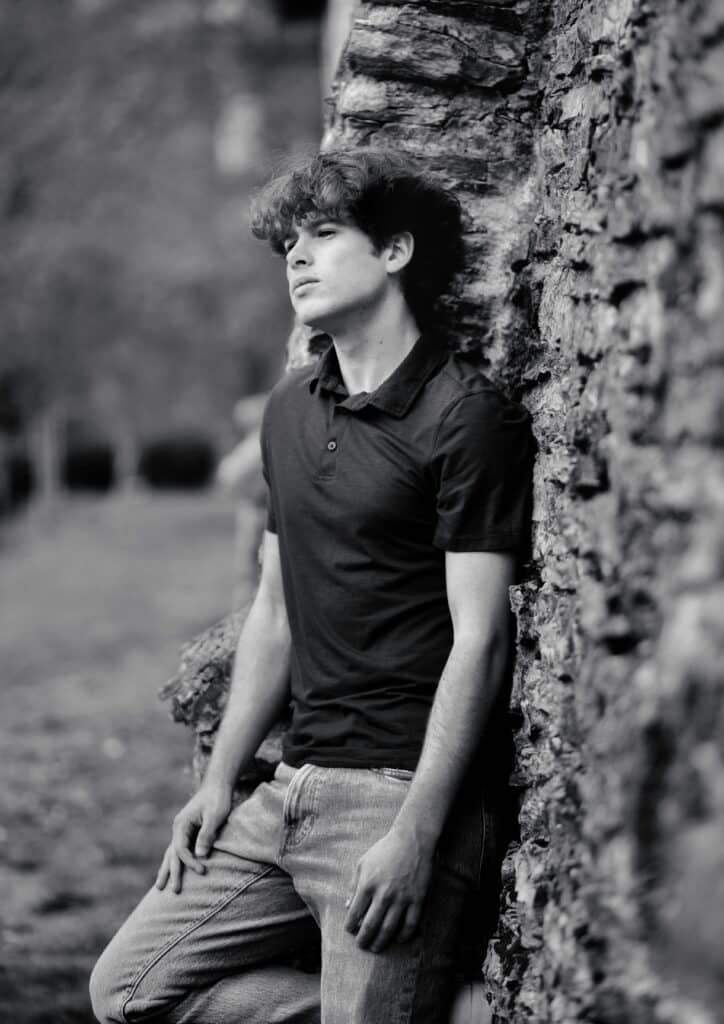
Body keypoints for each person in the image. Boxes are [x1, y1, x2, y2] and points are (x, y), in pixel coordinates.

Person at [89, 148, 533, 1024]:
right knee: (126, 993)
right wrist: (221, 781)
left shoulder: (465, 417)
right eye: (289, 241)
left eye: (324, 235)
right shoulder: (291, 410)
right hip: (287, 790)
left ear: (395, 252)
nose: (296, 256)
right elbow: (275, 609)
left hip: (399, 794)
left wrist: (418, 830)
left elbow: (482, 643)